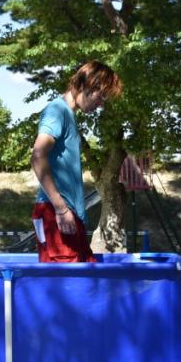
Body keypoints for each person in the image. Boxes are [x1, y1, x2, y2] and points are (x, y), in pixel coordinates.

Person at [30, 60, 123, 263]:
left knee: (86, 273)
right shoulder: (57, 111)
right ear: (88, 84)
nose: (102, 103)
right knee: (65, 284)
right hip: (55, 213)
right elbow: (38, 156)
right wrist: (61, 208)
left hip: (69, 214)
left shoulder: (69, 115)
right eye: (102, 95)